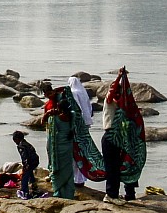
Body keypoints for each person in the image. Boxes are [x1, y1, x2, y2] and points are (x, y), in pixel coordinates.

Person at [43, 85, 104, 199]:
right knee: (69, 167)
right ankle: (69, 190)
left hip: (57, 146)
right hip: (68, 145)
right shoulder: (73, 116)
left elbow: (45, 122)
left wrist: (48, 114)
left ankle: (58, 191)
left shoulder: (54, 119)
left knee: (57, 167)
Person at [100, 68, 148, 200]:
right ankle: (111, 195)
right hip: (111, 137)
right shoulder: (109, 102)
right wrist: (119, 77)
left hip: (120, 139)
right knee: (112, 169)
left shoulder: (122, 106)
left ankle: (129, 193)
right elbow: (111, 92)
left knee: (127, 162)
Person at [10, 130, 43, 199]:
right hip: (35, 161)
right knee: (30, 173)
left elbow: (25, 156)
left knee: (25, 176)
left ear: (17, 139)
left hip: (30, 162)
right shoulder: (26, 143)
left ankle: (24, 191)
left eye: (14, 140)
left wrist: (25, 166)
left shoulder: (22, 146)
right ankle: (34, 187)